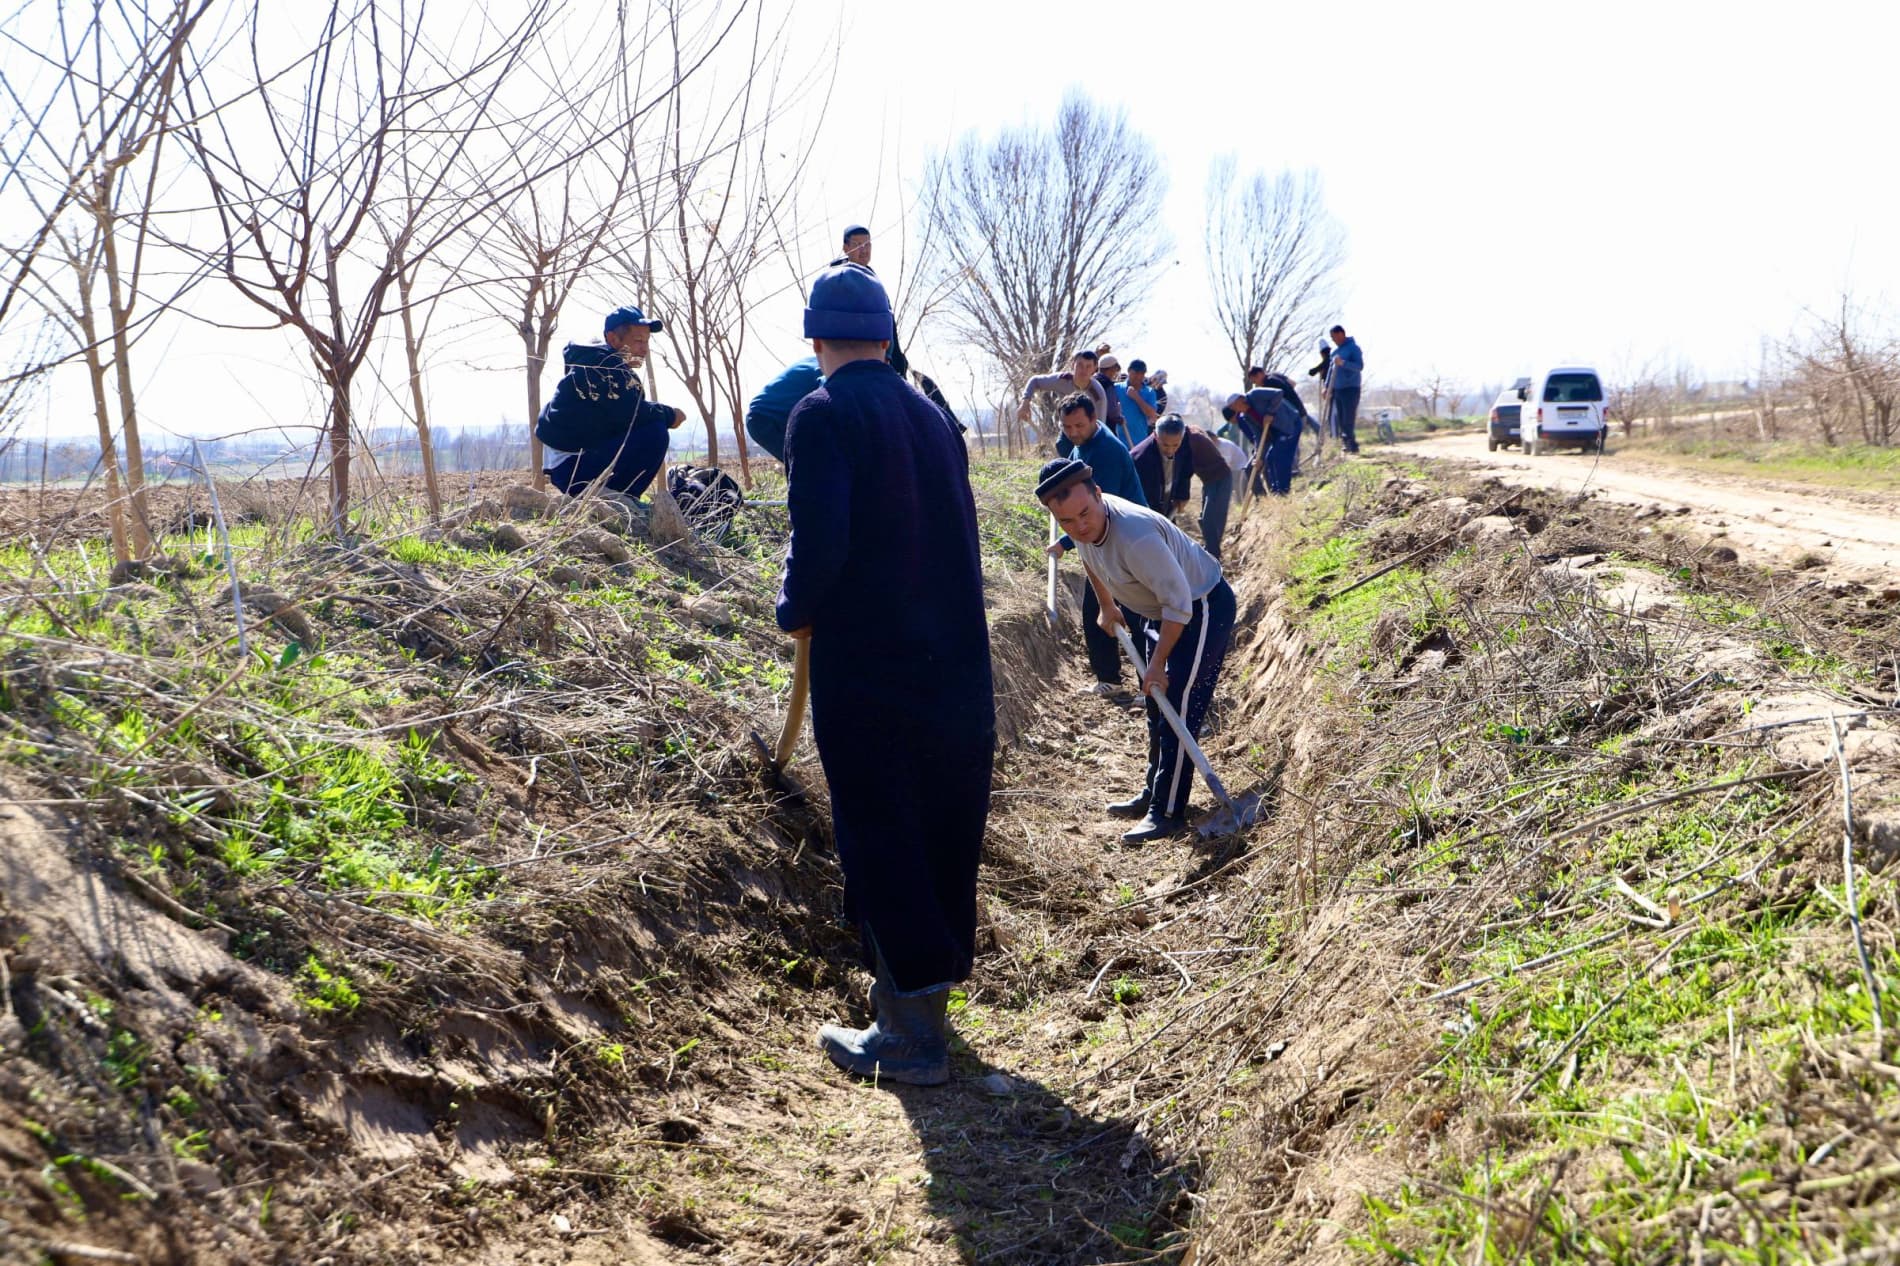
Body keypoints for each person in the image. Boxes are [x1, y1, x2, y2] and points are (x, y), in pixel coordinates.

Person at [777, 262, 995, 1087]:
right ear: (887, 335)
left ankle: (909, 1040)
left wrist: (792, 605)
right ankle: (917, 1005)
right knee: (942, 827)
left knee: (881, 826)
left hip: (871, 665)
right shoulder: (932, 415)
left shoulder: (822, 414)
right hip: (955, 666)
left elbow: (818, 540)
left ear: (815, 338)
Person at [1036, 459, 1236, 843]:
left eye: (1084, 514)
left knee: (1176, 703)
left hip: (1200, 605)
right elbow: (1086, 552)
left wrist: (1158, 664)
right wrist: (1107, 605)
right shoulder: (1081, 521)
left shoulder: (1136, 536)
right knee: (1155, 706)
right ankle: (1154, 791)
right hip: (1158, 609)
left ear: (1098, 495)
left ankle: (1168, 812)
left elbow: (1180, 606)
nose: (1079, 526)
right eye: (1067, 523)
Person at [535, 306, 686, 498]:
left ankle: (614, 500)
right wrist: (670, 414)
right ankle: (622, 501)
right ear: (613, 339)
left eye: (647, 342)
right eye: (638, 341)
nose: (644, 349)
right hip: (572, 466)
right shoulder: (604, 367)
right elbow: (634, 414)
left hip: (571, 463)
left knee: (645, 428)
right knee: (655, 432)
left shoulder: (599, 363)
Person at [1050, 393, 1146, 692]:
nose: (1073, 433)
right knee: (1096, 608)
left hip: (1129, 539)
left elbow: (1096, 511)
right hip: (1103, 537)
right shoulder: (1082, 447)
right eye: (1067, 427)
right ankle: (1109, 679)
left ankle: (1150, 683)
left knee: (1136, 611)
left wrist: (1065, 543)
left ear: (1094, 419)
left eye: (1079, 425)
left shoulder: (1105, 451)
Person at [1130, 415, 1236, 559]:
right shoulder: (1142, 459)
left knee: (1210, 519)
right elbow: (1147, 497)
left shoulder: (1186, 443)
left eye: (1175, 445)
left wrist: (1182, 495)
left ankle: (1211, 556)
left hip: (1216, 479)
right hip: (1147, 510)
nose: (1170, 450)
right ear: (1155, 436)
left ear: (1182, 437)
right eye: (1165, 445)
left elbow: (1185, 470)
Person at [1018, 349, 1109, 431]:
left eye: (1088, 366)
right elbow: (1035, 381)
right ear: (1073, 365)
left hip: (1087, 433)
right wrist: (1025, 403)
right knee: (1062, 445)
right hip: (1067, 431)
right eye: (1080, 365)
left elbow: (1100, 425)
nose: (1083, 370)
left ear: (1094, 368)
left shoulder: (1098, 394)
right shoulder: (1062, 380)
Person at [1326, 324, 1365, 454]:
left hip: (1351, 387)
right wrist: (1327, 387)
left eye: (1334, 337)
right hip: (1338, 388)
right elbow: (1331, 372)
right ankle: (1346, 442)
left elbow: (1359, 366)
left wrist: (1343, 363)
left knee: (1349, 417)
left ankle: (1352, 443)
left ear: (1341, 334)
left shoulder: (1353, 348)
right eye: (1331, 338)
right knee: (1341, 417)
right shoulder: (1334, 353)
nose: (1333, 340)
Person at [1117, 359, 1162, 447]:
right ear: (1129, 371)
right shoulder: (1116, 388)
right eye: (1135, 373)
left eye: (1142, 373)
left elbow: (1152, 415)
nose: (1138, 376)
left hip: (1140, 442)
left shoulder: (1149, 392)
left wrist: (1137, 398)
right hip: (1118, 442)